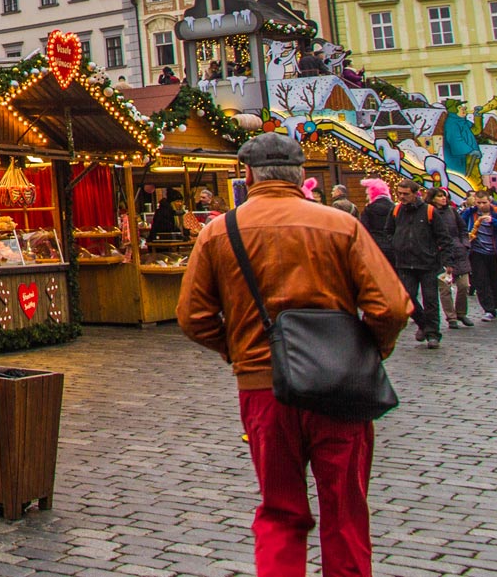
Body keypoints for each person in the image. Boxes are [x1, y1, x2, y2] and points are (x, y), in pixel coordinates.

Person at [175, 134, 409, 577]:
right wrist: (370, 350)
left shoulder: (219, 232)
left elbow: (192, 316)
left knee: (280, 509)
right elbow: (391, 307)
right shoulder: (340, 225)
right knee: (345, 508)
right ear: (301, 175)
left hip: (264, 390)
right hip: (339, 385)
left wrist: (239, 353)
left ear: (247, 176)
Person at [388, 182, 450, 349]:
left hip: (427, 263)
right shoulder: (396, 210)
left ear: (416, 193)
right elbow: (388, 232)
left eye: (405, 194)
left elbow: (443, 237)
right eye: (399, 193)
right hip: (405, 263)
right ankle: (424, 325)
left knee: (430, 300)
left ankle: (433, 334)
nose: (402, 197)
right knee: (406, 299)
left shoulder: (429, 211)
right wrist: (395, 246)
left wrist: (446, 260)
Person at [463, 191, 497, 321]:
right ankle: (488, 309)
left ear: (490, 202)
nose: (481, 206)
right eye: (479, 203)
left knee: (496, 281)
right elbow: (460, 226)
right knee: (481, 281)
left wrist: (494, 222)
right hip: (477, 252)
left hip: (495, 253)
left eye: (484, 203)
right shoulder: (470, 214)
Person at [434, 189, 474, 330]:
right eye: (439, 196)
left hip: (458, 253)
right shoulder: (429, 212)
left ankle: (461, 313)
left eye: (445, 196)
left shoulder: (452, 212)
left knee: (463, 285)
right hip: (441, 256)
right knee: (445, 288)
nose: (443, 199)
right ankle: (451, 317)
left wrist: (464, 244)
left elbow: (463, 229)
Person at [358, 179, 395, 260]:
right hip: (393, 248)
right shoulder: (395, 208)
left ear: (373, 193)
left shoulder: (369, 209)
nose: (367, 197)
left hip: (375, 246)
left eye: (368, 194)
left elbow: (363, 229)